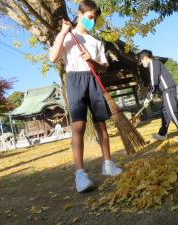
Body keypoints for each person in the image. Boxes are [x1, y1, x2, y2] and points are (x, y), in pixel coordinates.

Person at [50, 0, 122, 193]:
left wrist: (92, 61)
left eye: (95, 19)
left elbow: (104, 67)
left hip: (93, 80)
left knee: (101, 125)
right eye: (90, 17)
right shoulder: (67, 36)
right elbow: (53, 57)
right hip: (74, 80)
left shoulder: (96, 42)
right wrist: (64, 33)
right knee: (79, 127)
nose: (92, 22)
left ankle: (108, 164)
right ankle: (80, 175)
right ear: (79, 14)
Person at [139, 50, 178, 143]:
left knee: (172, 112)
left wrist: (149, 96)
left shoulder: (153, 63)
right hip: (166, 91)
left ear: (145, 58)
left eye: (141, 60)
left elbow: (154, 81)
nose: (142, 62)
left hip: (168, 90)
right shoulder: (155, 63)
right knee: (165, 112)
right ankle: (162, 134)